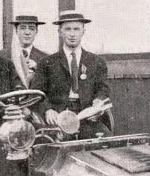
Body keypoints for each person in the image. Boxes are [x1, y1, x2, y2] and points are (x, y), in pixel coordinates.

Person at [31, 10, 112, 139]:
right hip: (58, 118)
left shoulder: (97, 62)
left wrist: (98, 103)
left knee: (106, 143)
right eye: (67, 29)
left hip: (87, 118)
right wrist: (47, 110)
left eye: (76, 29)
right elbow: (37, 92)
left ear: (83, 32)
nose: (72, 34)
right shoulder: (47, 62)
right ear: (60, 32)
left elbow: (103, 88)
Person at [0, 15, 48, 84]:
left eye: (31, 29)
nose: (27, 32)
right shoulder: (0, 56)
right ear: (16, 30)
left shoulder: (44, 59)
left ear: (36, 32)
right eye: (22, 28)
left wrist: (38, 68)